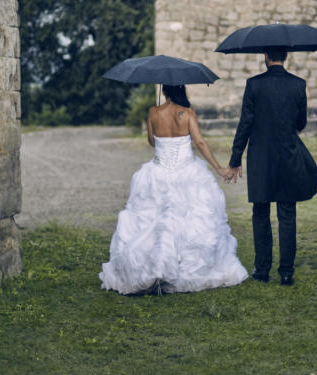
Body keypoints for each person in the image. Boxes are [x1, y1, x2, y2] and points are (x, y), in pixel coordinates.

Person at [100, 84, 249, 295]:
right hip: (187, 173)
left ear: (164, 91)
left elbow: (152, 142)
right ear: (181, 90)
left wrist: (160, 128)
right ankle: (182, 270)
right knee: (190, 221)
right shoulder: (187, 113)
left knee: (154, 220)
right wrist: (218, 169)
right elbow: (200, 142)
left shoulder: (153, 112)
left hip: (157, 173)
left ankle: (156, 268)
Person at [227, 48, 317, 286]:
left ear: (266, 56)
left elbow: (245, 123)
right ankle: (286, 272)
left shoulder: (254, 85)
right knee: (287, 213)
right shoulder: (298, 85)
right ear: (286, 56)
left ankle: (262, 269)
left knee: (260, 213)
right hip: (288, 155)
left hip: (260, 158)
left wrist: (235, 158)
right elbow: (301, 122)